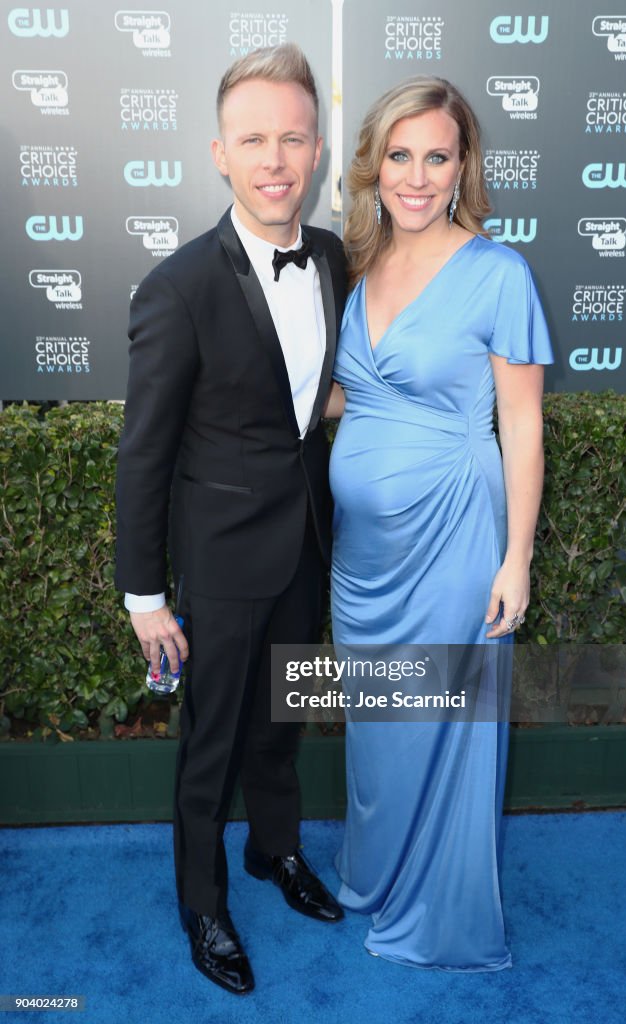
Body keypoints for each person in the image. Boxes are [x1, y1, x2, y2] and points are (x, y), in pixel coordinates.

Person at [114, 44, 347, 996]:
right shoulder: (177, 289)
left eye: (292, 136)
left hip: (310, 544)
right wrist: (143, 598)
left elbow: (311, 398)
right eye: (254, 138)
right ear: (219, 152)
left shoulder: (331, 256)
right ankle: (202, 902)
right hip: (216, 560)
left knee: (286, 716)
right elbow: (144, 455)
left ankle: (275, 852)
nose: (276, 158)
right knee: (212, 742)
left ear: (318, 147)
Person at [327, 76, 554, 970]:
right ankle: (376, 873)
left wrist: (516, 559)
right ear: (373, 165)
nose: (416, 176)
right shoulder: (360, 258)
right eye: (399, 155)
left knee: (448, 720)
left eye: (436, 157)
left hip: (455, 536)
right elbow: (355, 395)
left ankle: (440, 913)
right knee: (378, 722)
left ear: (463, 168)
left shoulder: (498, 273)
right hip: (362, 557)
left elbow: (522, 424)